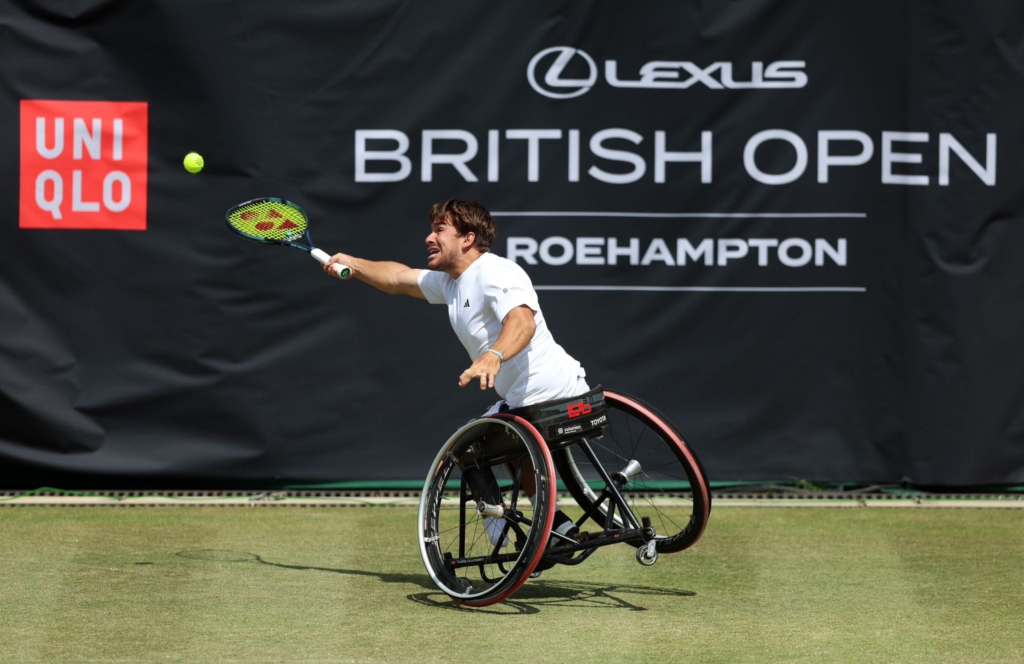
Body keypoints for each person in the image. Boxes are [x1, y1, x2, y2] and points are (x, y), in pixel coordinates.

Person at [322, 199, 587, 557]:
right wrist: (353, 264)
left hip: (545, 398)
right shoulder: (451, 283)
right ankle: (557, 528)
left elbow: (522, 321)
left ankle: (502, 538)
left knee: (466, 447)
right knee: (499, 438)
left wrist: (493, 355)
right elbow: (397, 278)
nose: (429, 237)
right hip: (529, 404)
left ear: (468, 238)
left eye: (439, 230)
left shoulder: (495, 271)